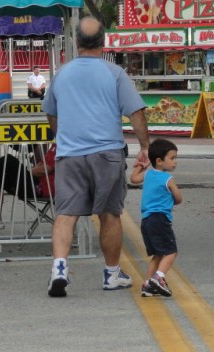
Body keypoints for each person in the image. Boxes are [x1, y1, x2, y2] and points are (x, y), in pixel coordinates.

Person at [42, 16, 150, 298]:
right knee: (110, 214)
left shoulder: (62, 74)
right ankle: (112, 274)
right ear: (104, 42)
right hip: (107, 154)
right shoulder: (114, 73)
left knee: (65, 214)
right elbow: (136, 113)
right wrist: (145, 148)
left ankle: (60, 269)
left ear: (76, 42)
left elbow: (51, 112)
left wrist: (61, 136)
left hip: (70, 154)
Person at [130, 139, 182, 297]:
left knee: (157, 254)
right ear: (159, 161)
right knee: (171, 252)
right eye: (172, 158)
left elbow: (133, 179)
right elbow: (179, 199)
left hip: (146, 220)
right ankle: (159, 277)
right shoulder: (168, 179)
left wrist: (140, 165)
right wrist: (172, 196)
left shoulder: (147, 174)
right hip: (160, 219)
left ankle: (148, 284)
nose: (175, 162)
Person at [0, 144, 56, 225]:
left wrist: (26, 173)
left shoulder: (63, 146)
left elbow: (44, 169)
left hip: (43, 188)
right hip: (36, 183)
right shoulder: (56, 145)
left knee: (7, 160)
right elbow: (40, 164)